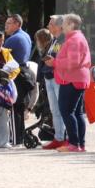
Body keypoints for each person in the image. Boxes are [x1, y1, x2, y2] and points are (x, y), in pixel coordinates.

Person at [51, 13, 92, 153]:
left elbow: (73, 62)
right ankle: (80, 144)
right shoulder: (77, 38)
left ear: (71, 24)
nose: (62, 25)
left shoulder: (74, 40)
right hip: (78, 78)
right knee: (77, 113)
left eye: (65, 22)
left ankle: (74, 144)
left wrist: (54, 62)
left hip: (72, 79)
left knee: (66, 111)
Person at [37, 16, 67, 149]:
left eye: (50, 24)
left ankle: (64, 138)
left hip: (57, 77)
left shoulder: (63, 39)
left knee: (62, 109)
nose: (48, 26)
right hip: (49, 76)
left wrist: (51, 61)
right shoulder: (55, 40)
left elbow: (61, 58)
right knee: (55, 110)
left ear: (59, 26)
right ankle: (59, 137)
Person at [3, 14, 34, 146]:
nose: (6, 26)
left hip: (16, 74)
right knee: (20, 107)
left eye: (9, 23)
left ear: (17, 24)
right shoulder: (26, 36)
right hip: (25, 72)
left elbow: (2, 56)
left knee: (14, 107)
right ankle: (19, 137)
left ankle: (15, 139)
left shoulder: (13, 39)